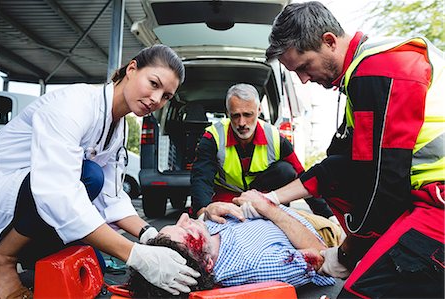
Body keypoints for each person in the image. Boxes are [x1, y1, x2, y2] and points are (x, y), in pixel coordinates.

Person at [233, 2, 444, 298]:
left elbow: (384, 185)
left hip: (437, 204)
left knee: (358, 292)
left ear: (329, 41)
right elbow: (339, 165)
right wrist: (270, 199)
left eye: (304, 67)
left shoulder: (377, 71)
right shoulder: (370, 68)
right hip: (427, 200)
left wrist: (346, 254)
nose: (304, 80)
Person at [0, 44, 200, 299]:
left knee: (96, 266)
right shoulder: (74, 104)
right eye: (154, 83)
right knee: (89, 175)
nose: (156, 100)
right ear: (132, 69)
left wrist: (150, 237)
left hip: (35, 205)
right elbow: (56, 193)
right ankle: (3, 258)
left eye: (167, 96)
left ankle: (33, 258)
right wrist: (134, 254)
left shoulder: (118, 128)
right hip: (4, 191)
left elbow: (111, 197)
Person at [128, 200, 336, 298]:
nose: (184, 217)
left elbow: (199, 222)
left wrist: (206, 212)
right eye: (186, 229)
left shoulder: (204, 246)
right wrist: (268, 208)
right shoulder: (257, 265)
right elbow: (321, 255)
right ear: (208, 264)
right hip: (314, 227)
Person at [190, 83, 335, 222]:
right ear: (227, 113)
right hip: (227, 199)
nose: (242, 123)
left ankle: (275, 212)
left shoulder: (275, 137)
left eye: (248, 114)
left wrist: (328, 216)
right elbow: (201, 178)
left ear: (259, 110)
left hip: (260, 198)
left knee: (286, 170)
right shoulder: (213, 137)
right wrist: (203, 213)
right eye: (235, 116)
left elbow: (301, 177)